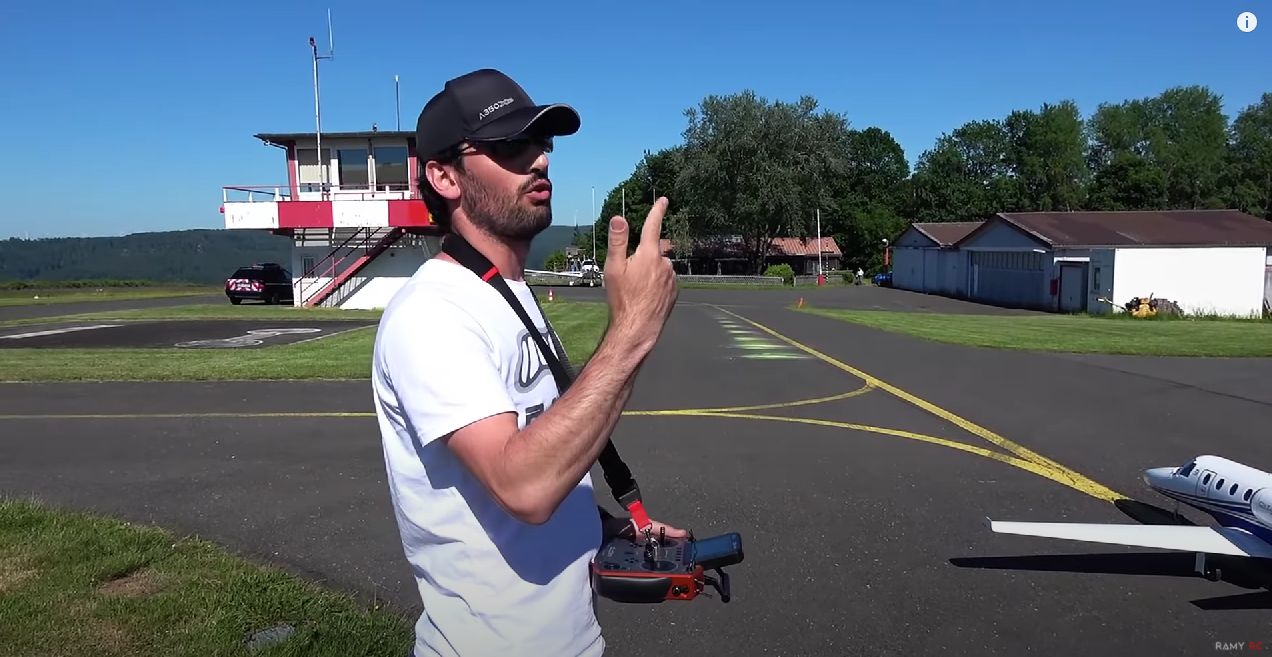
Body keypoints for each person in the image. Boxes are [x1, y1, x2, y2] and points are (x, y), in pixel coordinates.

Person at [371, 68, 684, 657]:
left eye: (541, 143)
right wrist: (634, 328)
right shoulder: (431, 313)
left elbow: (539, 456)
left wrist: (610, 528)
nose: (539, 160)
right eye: (511, 146)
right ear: (444, 176)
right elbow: (523, 485)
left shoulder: (505, 292)